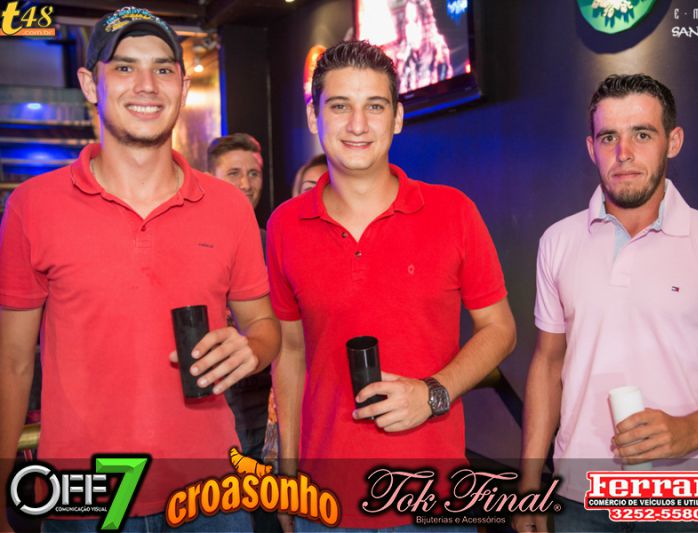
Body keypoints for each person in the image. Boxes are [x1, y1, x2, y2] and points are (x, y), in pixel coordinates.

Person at [0, 7, 280, 531]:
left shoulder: (228, 206)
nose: (147, 85)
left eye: (163, 68)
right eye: (125, 67)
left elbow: (264, 327)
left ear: (182, 85)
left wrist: (253, 349)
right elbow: (11, 363)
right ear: (91, 84)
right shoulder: (33, 207)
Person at [514, 74, 698, 533]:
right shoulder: (558, 242)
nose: (624, 153)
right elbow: (547, 363)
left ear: (673, 141)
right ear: (591, 148)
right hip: (578, 496)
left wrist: (692, 430)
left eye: (642, 134)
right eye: (609, 137)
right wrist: (529, 485)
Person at [266, 40, 516, 531]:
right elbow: (289, 354)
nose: (358, 125)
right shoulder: (284, 226)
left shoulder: (453, 212)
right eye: (340, 106)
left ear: (398, 117)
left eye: (375, 106)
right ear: (315, 117)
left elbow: (500, 329)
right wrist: (287, 473)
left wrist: (434, 394)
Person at [207, 133, 281, 532]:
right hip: (212, 405)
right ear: (210, 177)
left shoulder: (273, 243)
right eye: (233, 172)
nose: (246, 183)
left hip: (266, 402)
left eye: (254, 173)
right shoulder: (193, 240)